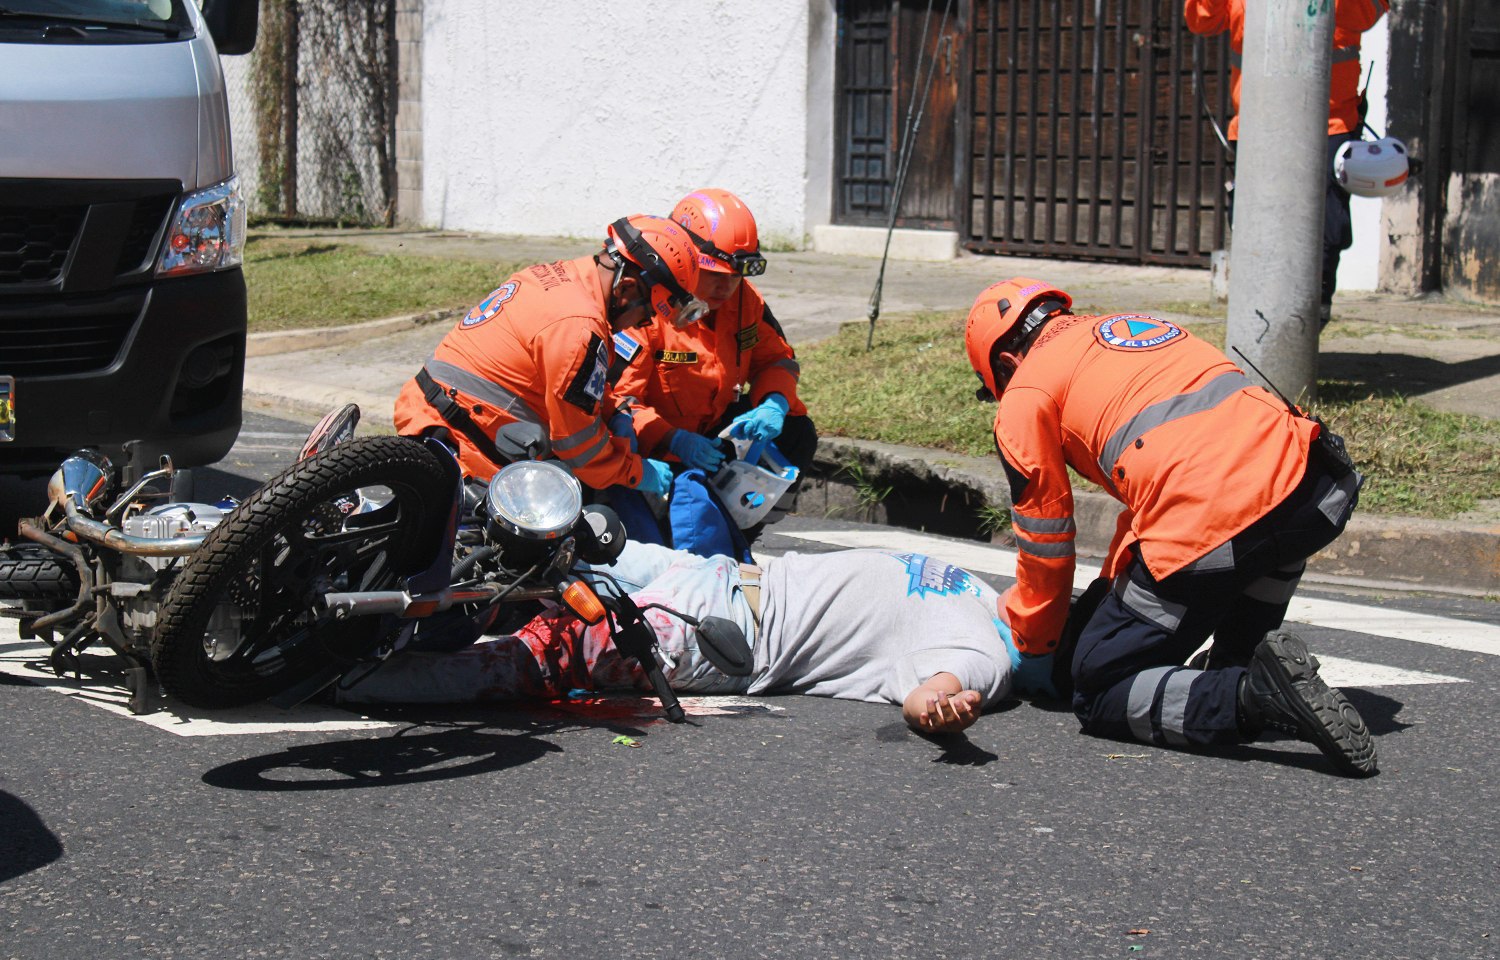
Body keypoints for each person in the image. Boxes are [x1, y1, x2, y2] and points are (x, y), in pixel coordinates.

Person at [964, 276, 1377, 776]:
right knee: (1252, 544)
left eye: (996, 388)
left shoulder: (1024, 394)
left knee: (1097, 685)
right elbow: (1149, 504)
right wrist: (1106, 594)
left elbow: (1046, 545)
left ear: (1005, 364)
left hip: (1217, 517)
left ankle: (1254, 696)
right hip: (1315, 489)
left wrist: (1036, 643)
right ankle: (1242, 665)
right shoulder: (1134, 327)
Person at [338, 541, 1016, 736]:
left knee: (542, 654)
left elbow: (930, 700)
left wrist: (943, 711)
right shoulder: (991, 589)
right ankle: (340, 540)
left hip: (714, 636)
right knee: (527, 530)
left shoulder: (987, 653)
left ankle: (338, 677)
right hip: (707, 570)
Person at [391, 215, 705, 497]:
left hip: (427, 407)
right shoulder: (580, 327)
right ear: (627, 289)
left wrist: (617, 411)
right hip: (462, 445)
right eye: (647, 314)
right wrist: (636, 472)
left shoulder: (552, 275)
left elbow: (564, 382)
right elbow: (580, 450)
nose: (642, 324)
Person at [611, 189, 817, 535]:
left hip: (712, 435)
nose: (726, 288)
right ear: (682, 259)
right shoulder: (649, 305)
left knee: (798, 432)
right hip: (656, 448)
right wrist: (671, 438)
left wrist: (775, 404)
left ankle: (742, 535)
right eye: (714, 275)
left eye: (734, 277)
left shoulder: (745, 302)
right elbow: (618, 403)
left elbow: (776, 359)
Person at [1184, 0, 1391, 328]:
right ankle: (1261, 316)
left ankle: (1312, 310)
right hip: (1259, 123)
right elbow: (1201, 20)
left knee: (1326, 226)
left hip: (1330, 124)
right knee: (1259, 224)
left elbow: (1367, 14)